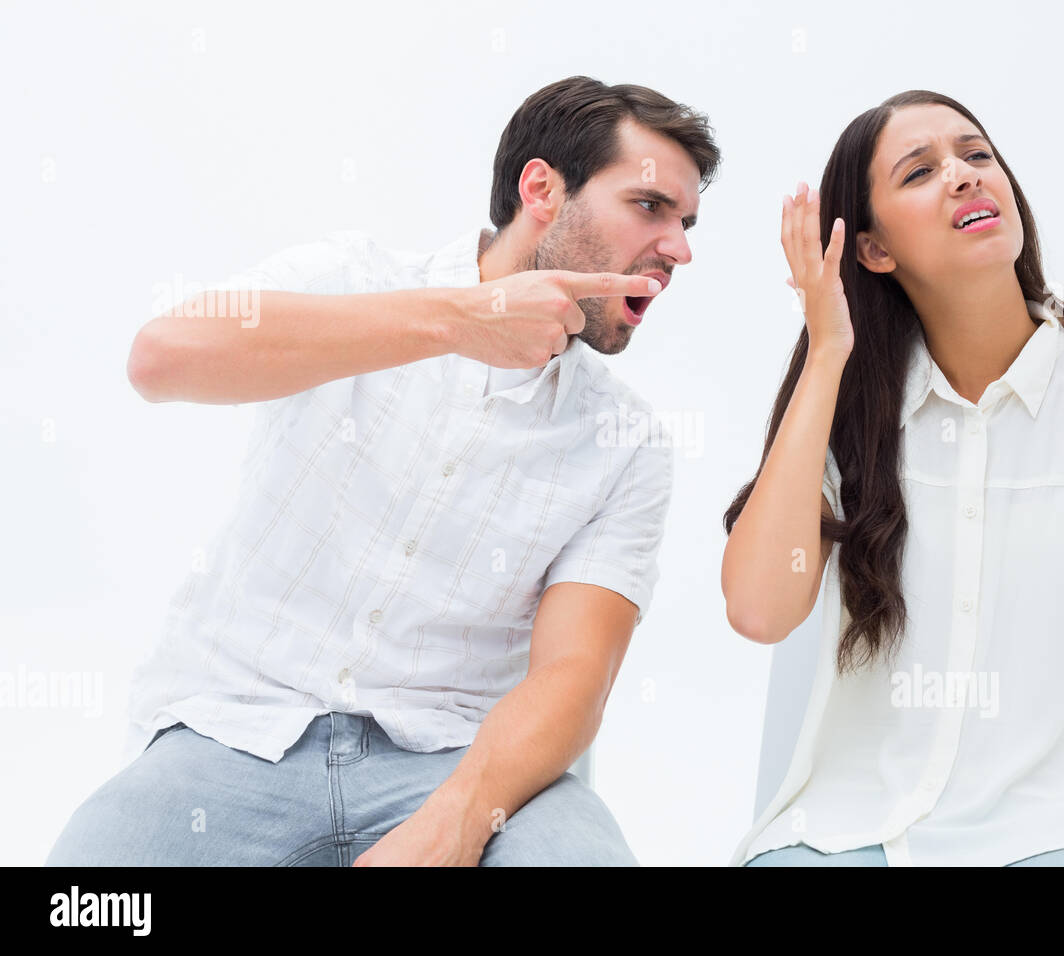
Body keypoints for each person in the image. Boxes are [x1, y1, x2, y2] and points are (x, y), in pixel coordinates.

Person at [45, 75, 719, 867]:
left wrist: (459, 819)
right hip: (233, 732)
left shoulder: (628, 441)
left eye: (687, 221)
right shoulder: (352, 278)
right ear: (541, 188)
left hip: (468, 765)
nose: (679, 249)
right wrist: (455, 320)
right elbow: (161, 360)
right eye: (650, 208)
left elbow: (575, 672)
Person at [720, 90, 1064, 867]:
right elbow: (759, 611)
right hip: (850, 831)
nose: (963, 176)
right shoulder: (849, 416)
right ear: (873, 250)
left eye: (977, 155)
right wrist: (826, 351)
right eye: (921, 171)